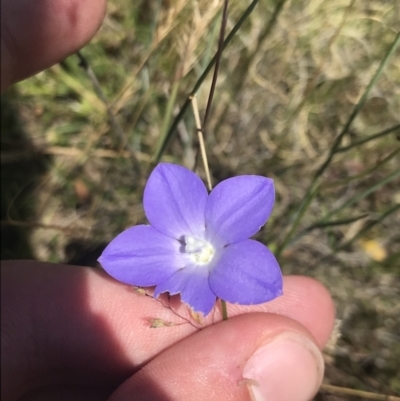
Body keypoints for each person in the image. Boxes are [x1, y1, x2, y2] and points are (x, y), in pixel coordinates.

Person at [0, 1, 335, 400]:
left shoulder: (250, 241)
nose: (195, 244)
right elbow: (121, 258)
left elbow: (260, 242)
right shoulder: (161, 205)